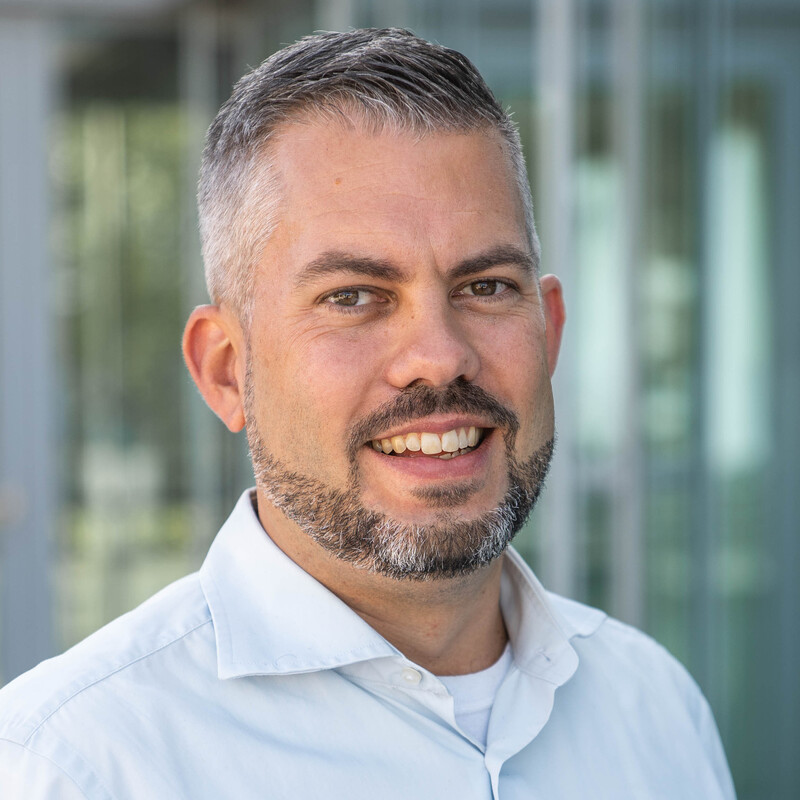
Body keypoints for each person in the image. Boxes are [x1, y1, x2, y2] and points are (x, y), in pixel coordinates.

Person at [0, 28, 735, 798]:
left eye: (486, 287)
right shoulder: (76, 765)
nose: (439, 356)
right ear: (225, 371)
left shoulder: (655, 707)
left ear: (548, 332)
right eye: (352, 297)